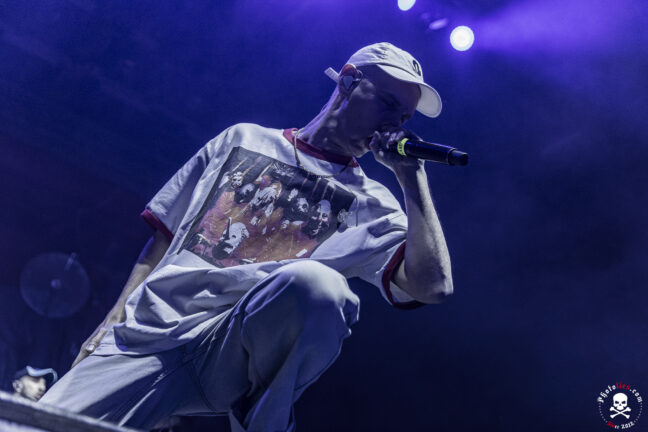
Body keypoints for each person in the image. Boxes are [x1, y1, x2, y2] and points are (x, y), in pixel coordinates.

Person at [39, 42, 453, 432]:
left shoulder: (372, 203)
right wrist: (112, 320)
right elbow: (164, 236)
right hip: (153, 333)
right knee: (29, 423)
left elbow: (434, 286)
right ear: (347, 80)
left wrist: (412, 178)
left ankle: (261, 418)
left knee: (320, 286)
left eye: (404, 118)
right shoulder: (243, 138)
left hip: (232, 354)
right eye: (387, 103)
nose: (393, 124)